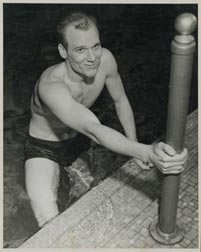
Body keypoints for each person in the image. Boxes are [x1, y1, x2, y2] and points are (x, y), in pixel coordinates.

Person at [24, 12, 188, 228]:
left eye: (96, 46)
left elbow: (120, 101)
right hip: (45, 148)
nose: (92, 58)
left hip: (79, 140)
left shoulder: (106, 61)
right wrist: (146, 151)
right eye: (81, 50)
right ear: (63, 51)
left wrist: (134, 145)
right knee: (49, 222)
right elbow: (93, 129)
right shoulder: (51, 86)